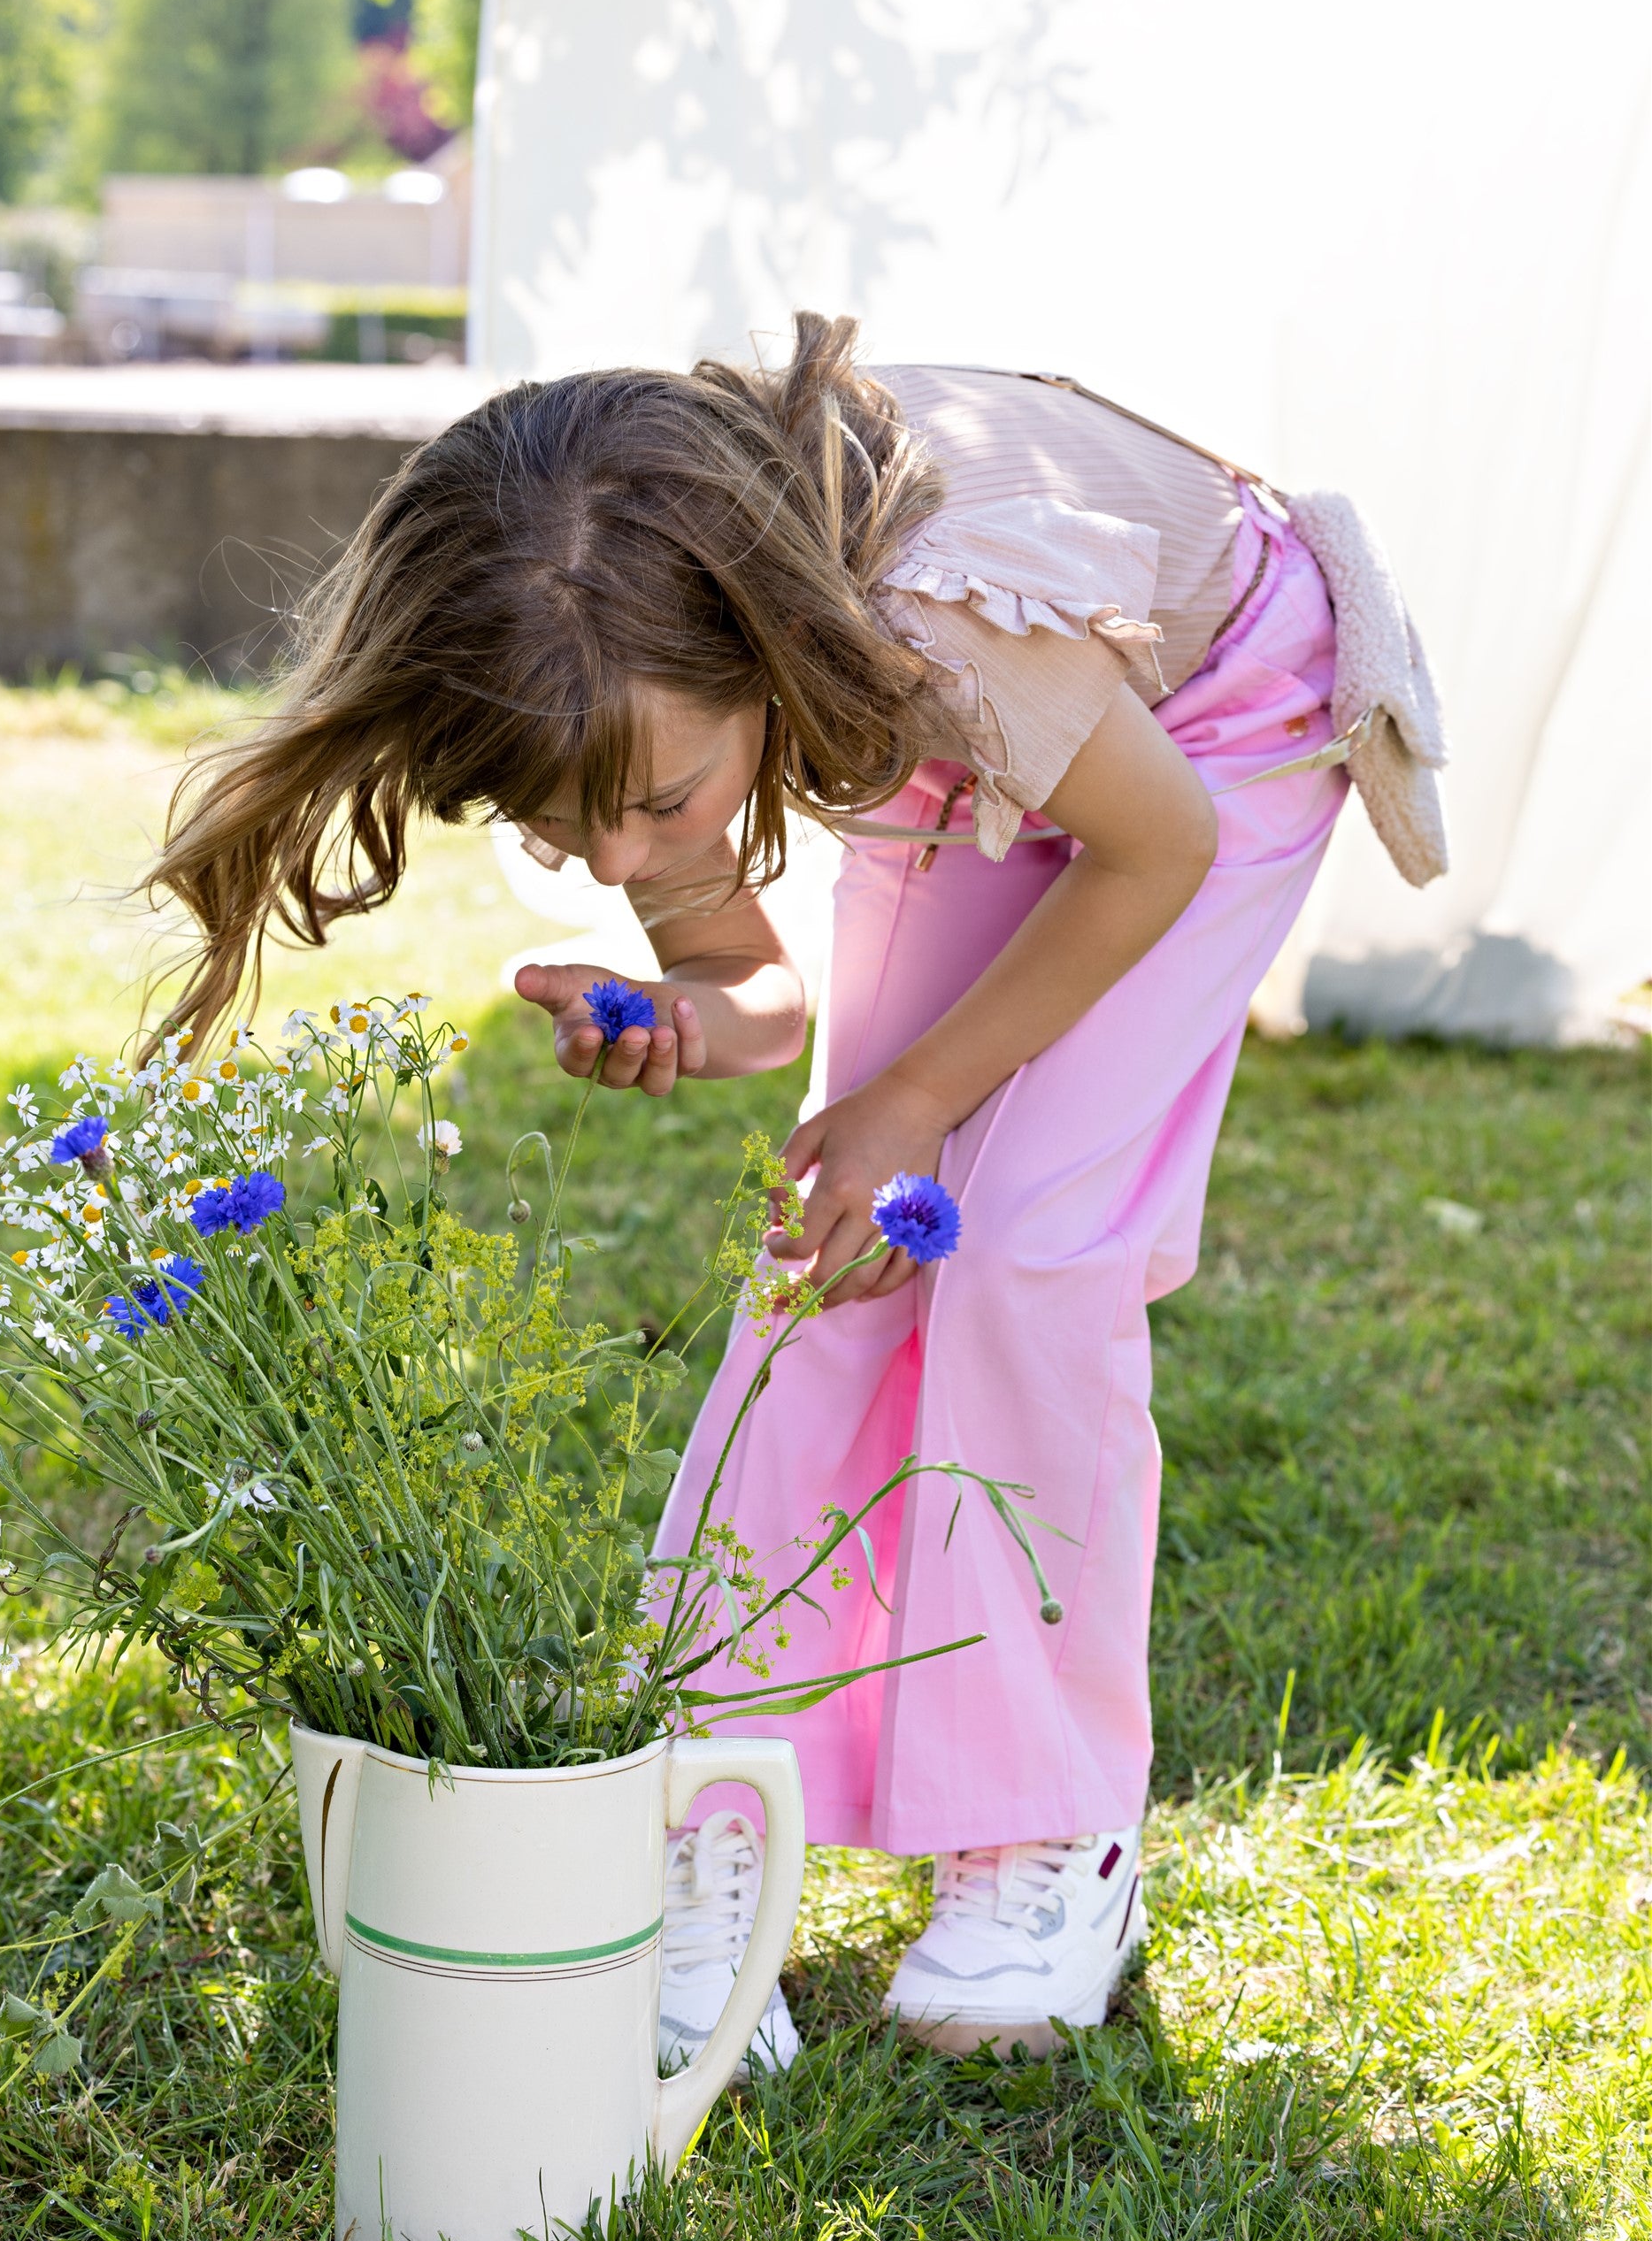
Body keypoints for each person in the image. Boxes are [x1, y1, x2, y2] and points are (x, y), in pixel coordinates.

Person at [150, 312, 1441, 2069]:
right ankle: (713, 1815)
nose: (619, 859)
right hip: (992, 743)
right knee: (839, 1249)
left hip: (1205, 737)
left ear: (749, 653)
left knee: (1026, 1254)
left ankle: (1051, 1827)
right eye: (563, 829)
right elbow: (758, 999)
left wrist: (919, 1093)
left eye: (655, 807)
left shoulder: (941, 615)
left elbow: (1154, 851)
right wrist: (694, 1014)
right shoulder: (632, 662)